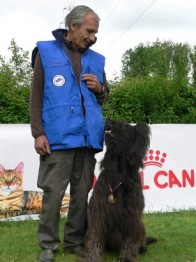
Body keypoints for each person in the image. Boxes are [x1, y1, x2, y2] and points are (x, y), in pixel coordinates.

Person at [30, 5, 109, 262]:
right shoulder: (46, 52)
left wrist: (100, 88)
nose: (93, 37)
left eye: (96, 32)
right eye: (90, 31)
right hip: (57, 138)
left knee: (81, 194)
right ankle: (48, 246)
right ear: (72, 26)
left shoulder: (96, 60)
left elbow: (103, 98)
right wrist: (38, 133)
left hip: (87, 139)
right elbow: (36, 96)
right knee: (53, 194)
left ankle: (74, 243)